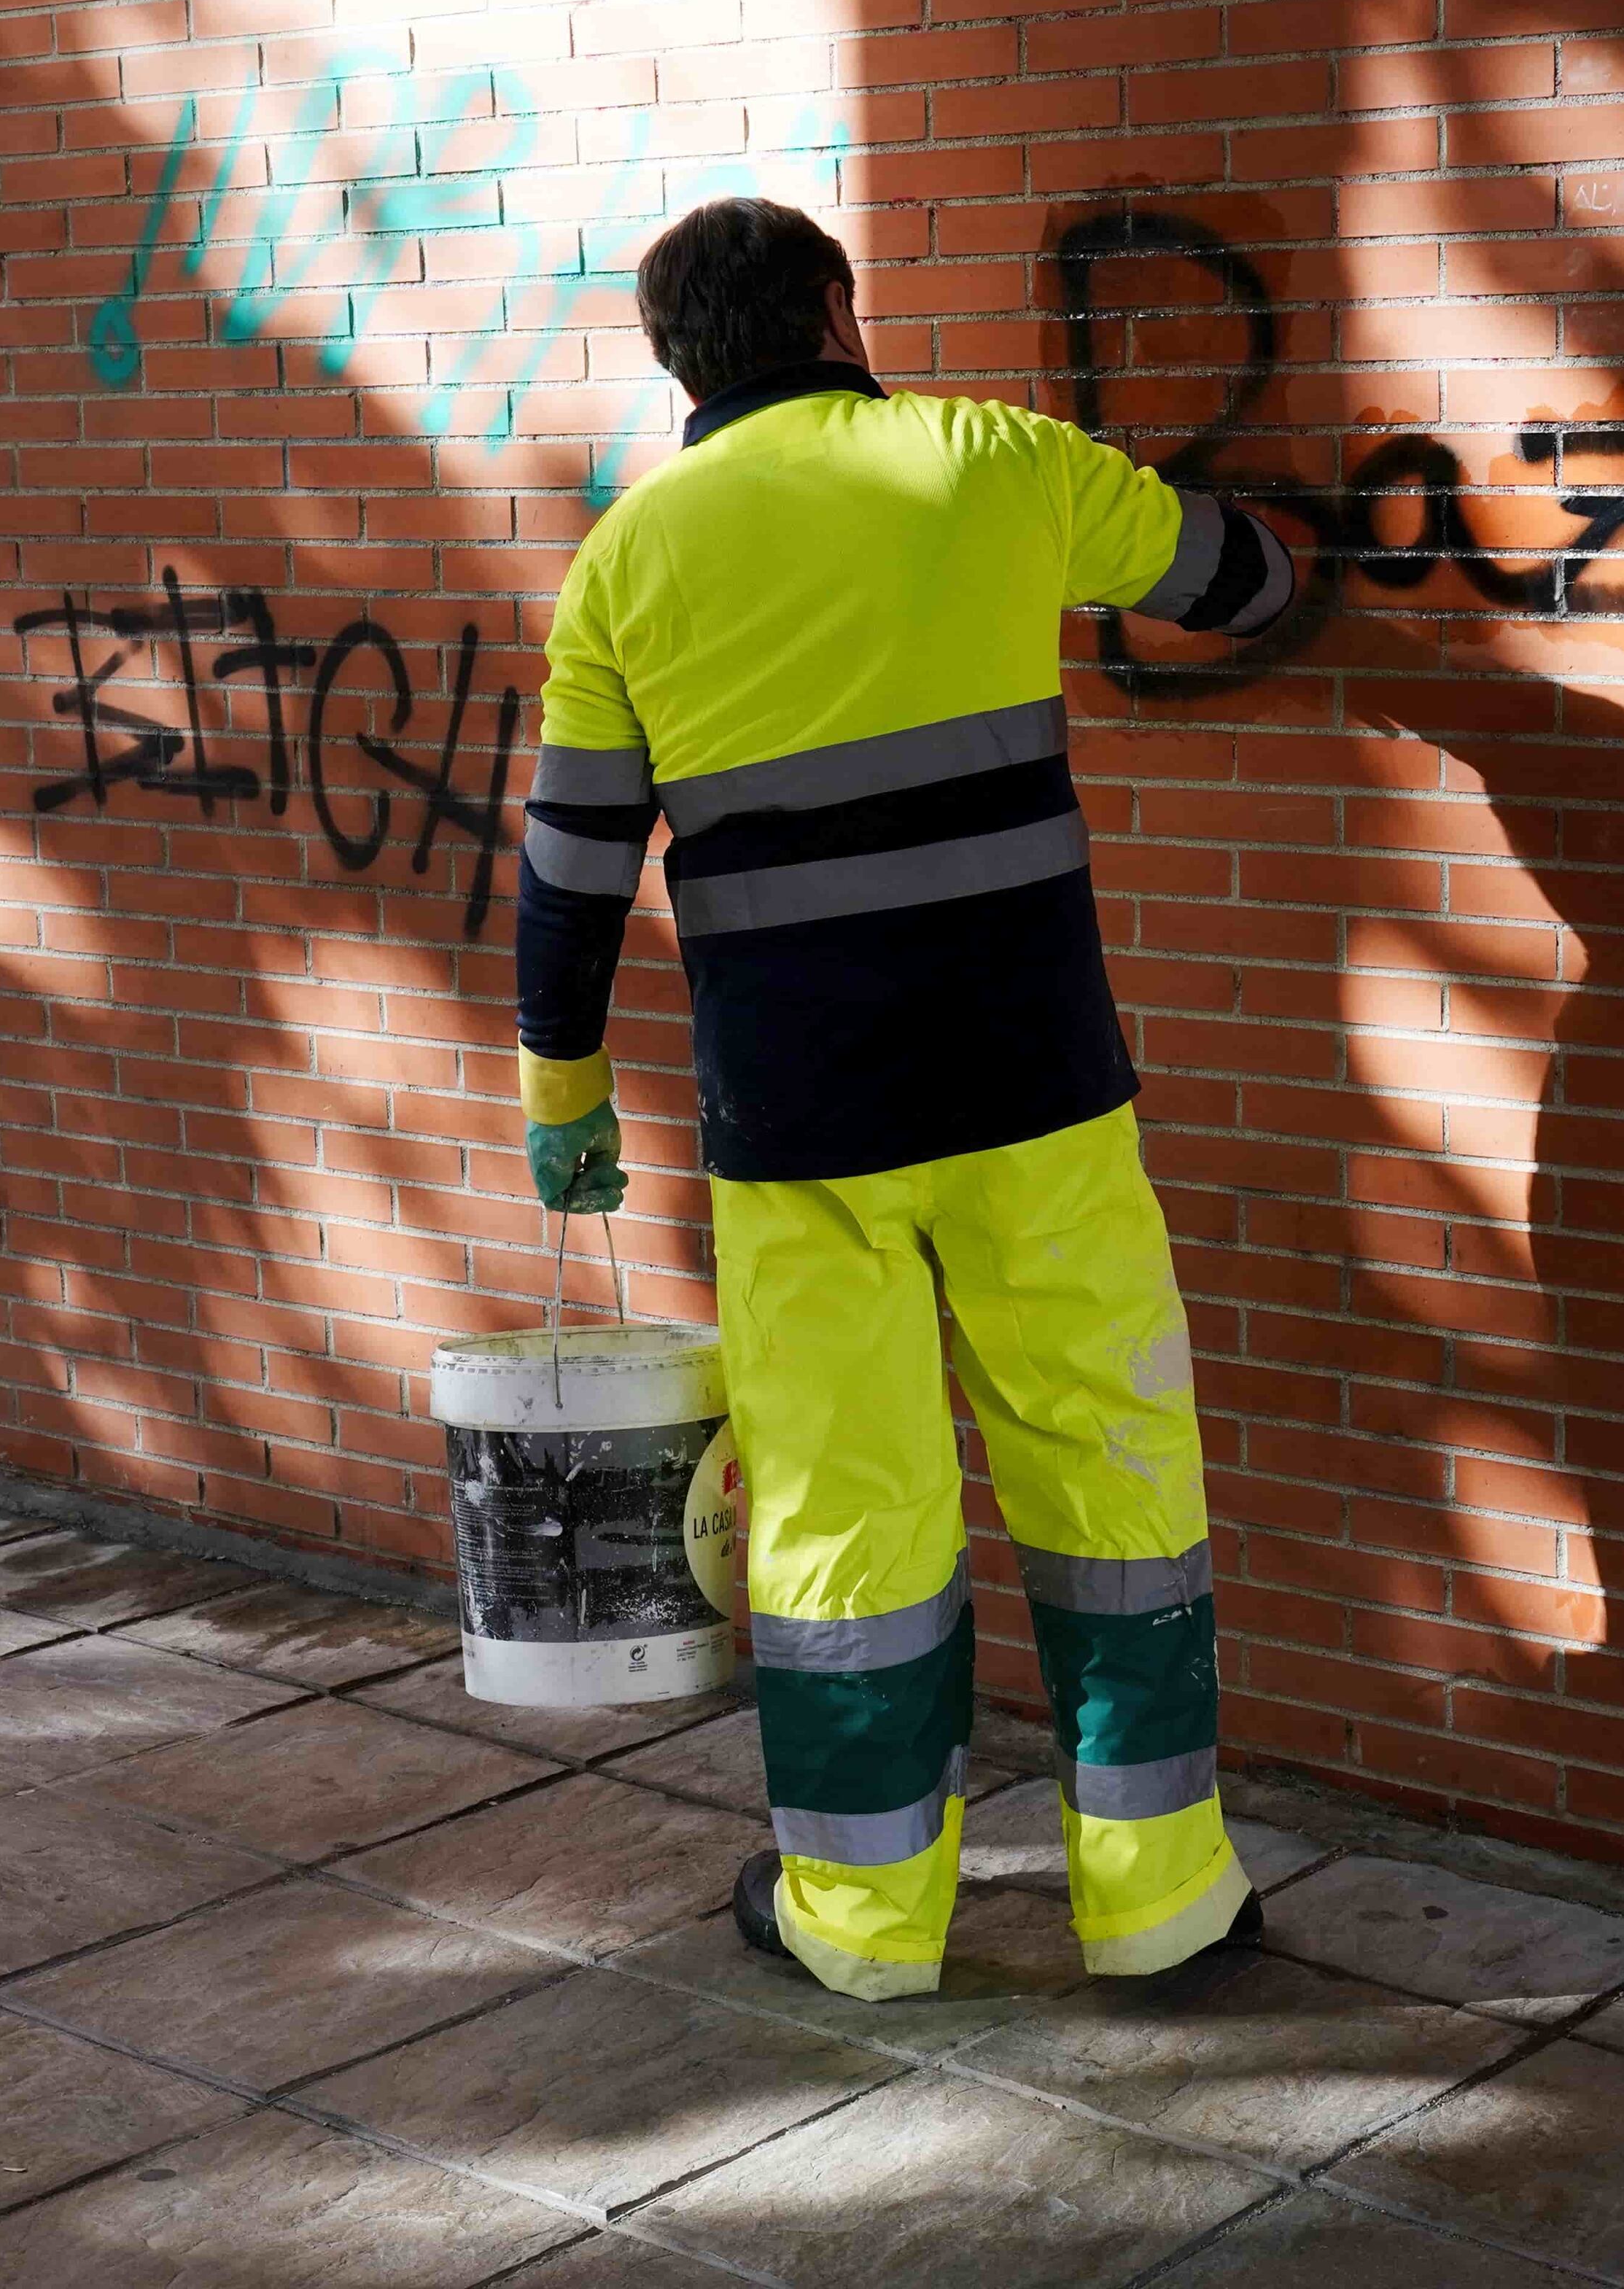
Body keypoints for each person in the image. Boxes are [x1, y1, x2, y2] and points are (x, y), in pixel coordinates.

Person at [511, 197, 1301, 2000]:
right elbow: (1236, 579)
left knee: (844, 1514)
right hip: (1036, 1084)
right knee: (1111, 1470)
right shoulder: (996, 460)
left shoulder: (628, 560)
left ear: (676, 364)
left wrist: (562, 1085)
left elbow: (569, 865)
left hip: (804, 1122)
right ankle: (1161, 1899)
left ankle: (864, 1923)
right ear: (839, 310)